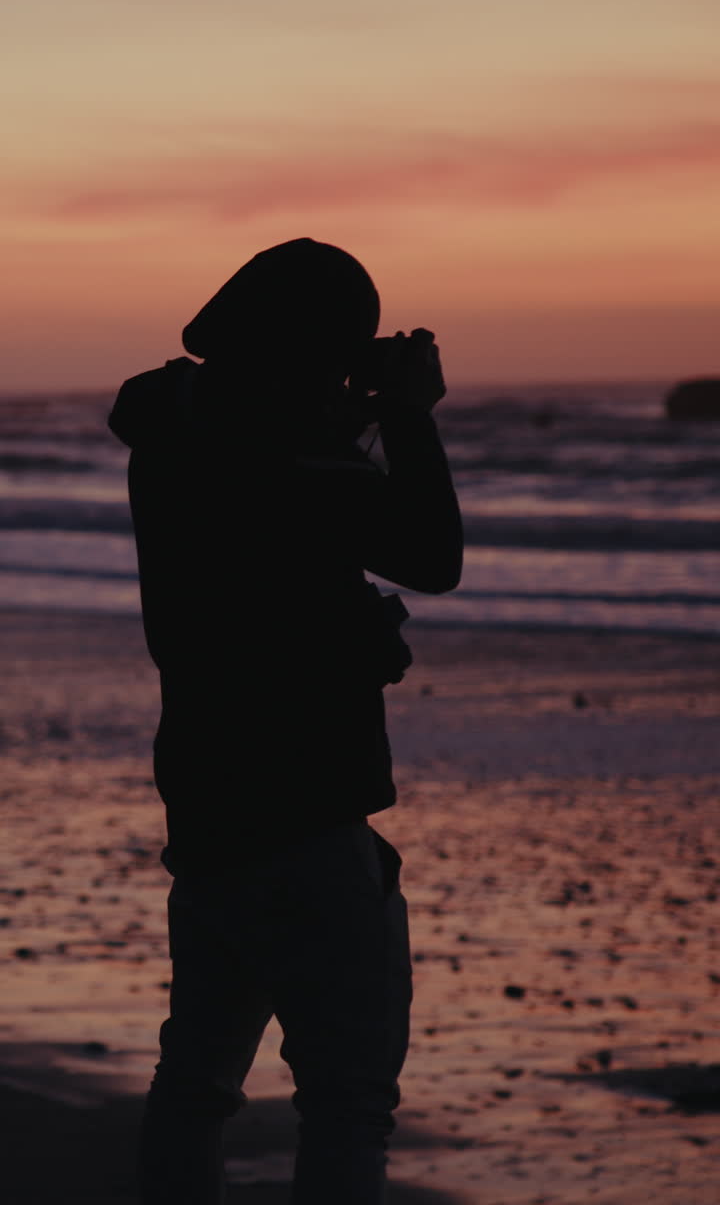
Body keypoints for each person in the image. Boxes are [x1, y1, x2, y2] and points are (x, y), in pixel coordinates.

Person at [108, 237, 463, 1204]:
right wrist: (408, 413)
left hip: (209, 806)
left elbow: (268, 526)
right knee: (348, 1104)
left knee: (194, 1084)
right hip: (308, 814)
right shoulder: (298, 455)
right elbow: (431, 553)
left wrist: (348, 413)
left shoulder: (181, 430)